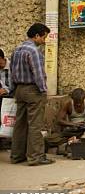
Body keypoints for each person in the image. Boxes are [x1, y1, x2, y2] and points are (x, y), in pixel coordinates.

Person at [9, 23, 54, 166]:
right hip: (33, 90)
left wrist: (13, 90)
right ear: (37, 36)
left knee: (19, 124)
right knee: (35, 124)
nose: (44, 41)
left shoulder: (17, 50)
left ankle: (17, 155)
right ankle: (36, 157)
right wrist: (43, 90)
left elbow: (11, 72)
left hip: (19, 90)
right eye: (44, 37)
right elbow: (38, 74)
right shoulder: (34, 51)